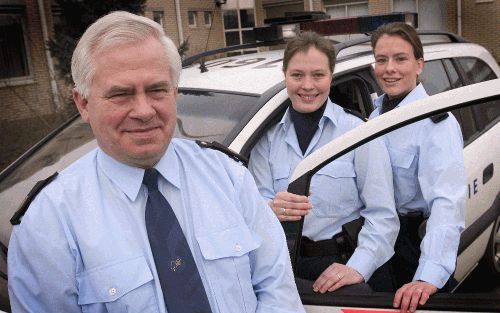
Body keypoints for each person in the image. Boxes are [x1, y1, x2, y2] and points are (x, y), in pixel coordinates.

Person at [7, 11, 304, 313]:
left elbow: (277, 292)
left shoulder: (227, 177)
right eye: (121, 94)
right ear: (83, 103)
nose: (144, 110)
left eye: (156, 90)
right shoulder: (49, 222)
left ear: (175, 92)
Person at [248, 31, 399, 293]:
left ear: (331, 75)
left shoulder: (359, 133)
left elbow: (383, 216)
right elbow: (253, 203)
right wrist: (271, 207)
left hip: (348, 266)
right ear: (285, 75)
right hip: (286, 268)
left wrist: (358, 267)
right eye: (297, 75)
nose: (308, 85)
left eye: (318, 75)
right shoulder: (266, 139)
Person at [369, 22, 466, 313]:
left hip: (414, 247)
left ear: (419, 65)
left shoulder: (436, 123)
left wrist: (428, 275)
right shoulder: (375, 116)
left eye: (400, 59)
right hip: (379, 238)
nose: (390, 69)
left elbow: (447, 203)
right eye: (382, 59)